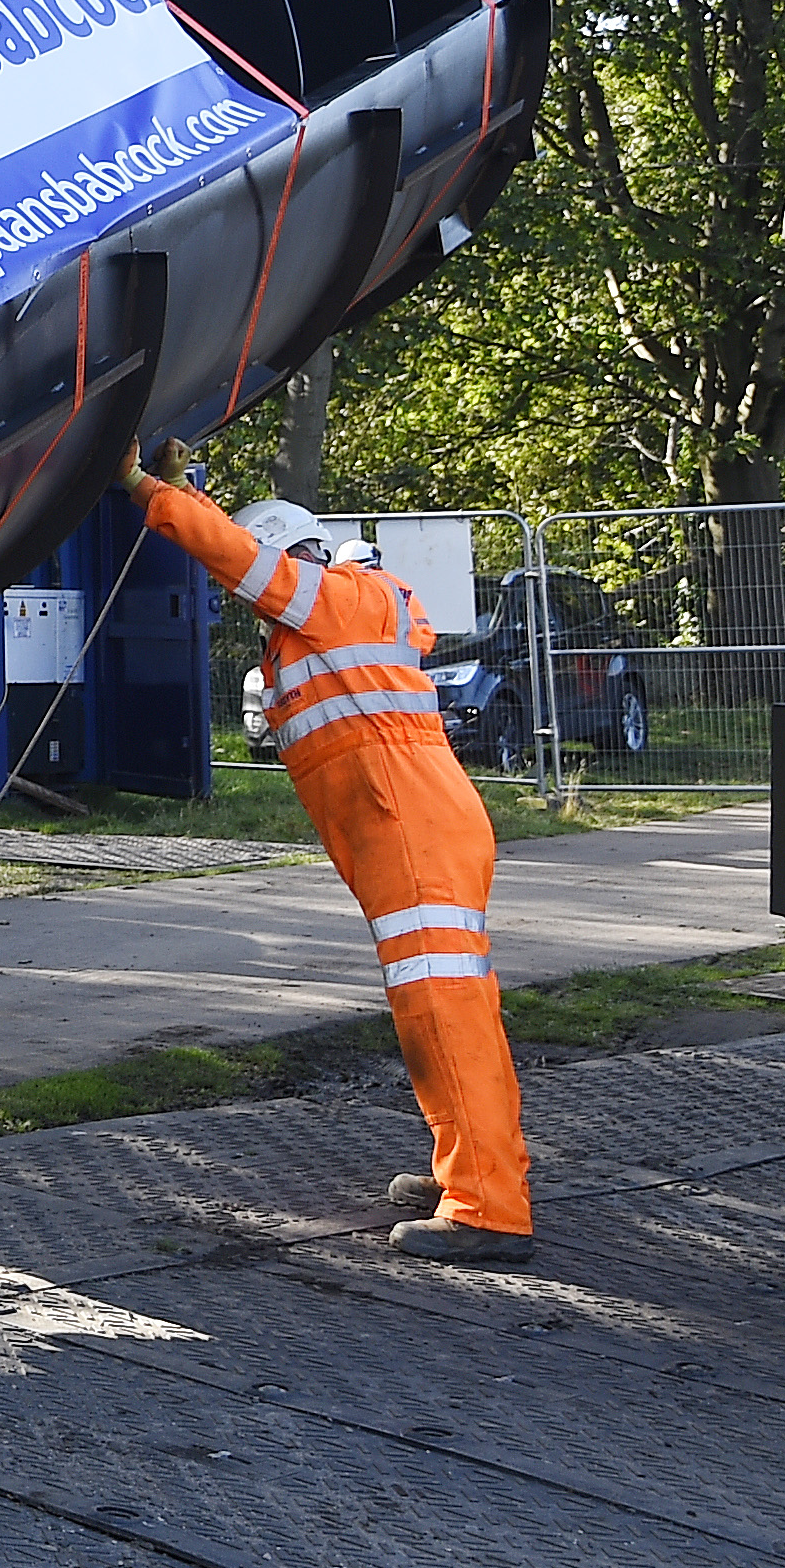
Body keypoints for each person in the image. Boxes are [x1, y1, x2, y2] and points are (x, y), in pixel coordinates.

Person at [127, 442, 528, 1262]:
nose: (250, 603)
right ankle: (472, 1170)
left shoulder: (333, 597)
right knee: (443, 1010)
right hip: (409, 825)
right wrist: (185, 477)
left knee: (442, 1012)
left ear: (291, 553)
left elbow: (237, 556)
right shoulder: (321, 619)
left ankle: (488, 1205)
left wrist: (143, 488)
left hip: (410, 826)